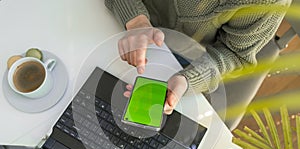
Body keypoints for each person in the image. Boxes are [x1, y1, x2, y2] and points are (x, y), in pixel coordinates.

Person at [104, 0, 290, 115]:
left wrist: (187, 80)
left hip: (181, 57)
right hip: (112, 16)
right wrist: (136, 21)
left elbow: (233, 54)